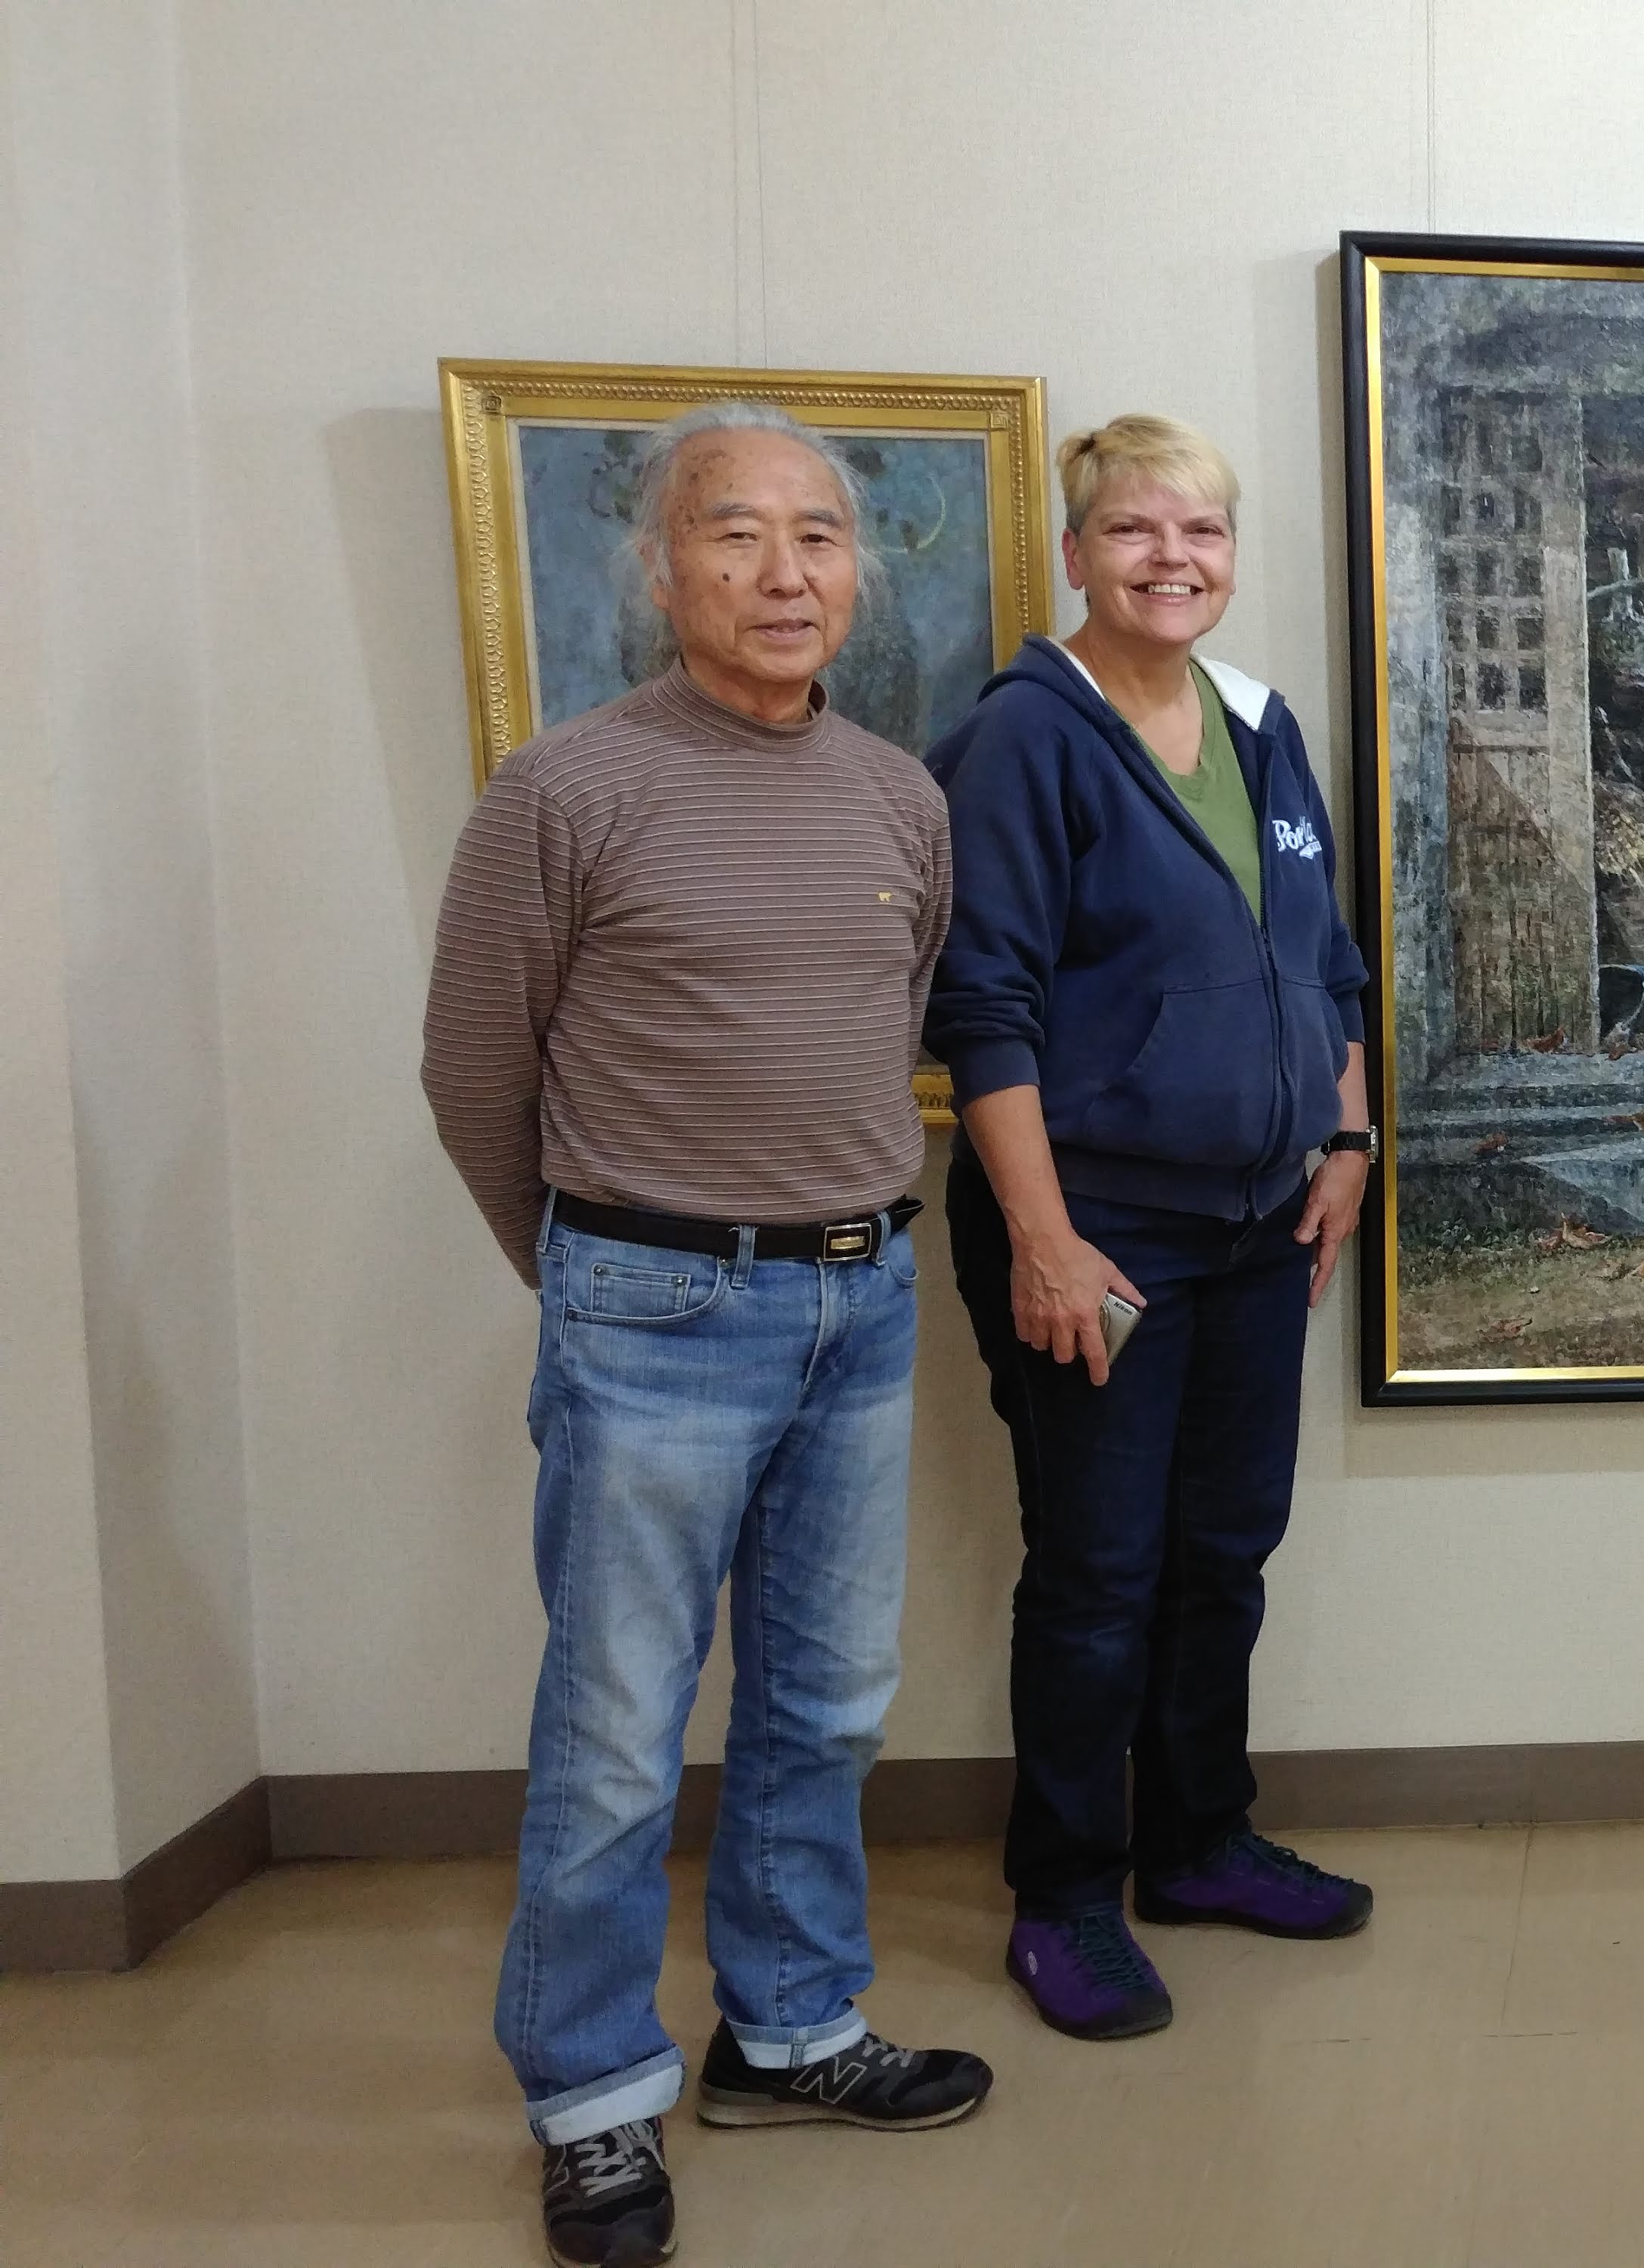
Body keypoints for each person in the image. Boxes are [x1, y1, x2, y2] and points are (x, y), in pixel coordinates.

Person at [423, 401, 992, 2268]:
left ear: (857, 570)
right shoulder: (564, 791)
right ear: (660, 570)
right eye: (734, 535)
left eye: (818, 537)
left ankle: (790, 2026)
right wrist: (593, 1275)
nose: (782, 573)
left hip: (861, 1293)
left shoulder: (901, 797)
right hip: (648, 1302)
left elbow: (886, 1024)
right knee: (614, 1731)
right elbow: (473, 1075)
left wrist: (804, 1262)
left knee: (826, 1702)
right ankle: (591, 2099)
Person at [924, 414, 1378, 2043]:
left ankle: (1198, 1841)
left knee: (1221, 1557)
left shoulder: (1259, 727)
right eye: (1135, 532)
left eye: (1201, 533)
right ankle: (1065, 1895)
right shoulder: (1024, 739)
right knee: (1100, 1571)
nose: (1172, 560)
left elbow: (1325, 959)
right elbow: (981, 1006)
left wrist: (1348, 1124)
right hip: (1104, 1238)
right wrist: (1043, 1241)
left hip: (1261, 1231)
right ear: (1077, 553)